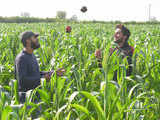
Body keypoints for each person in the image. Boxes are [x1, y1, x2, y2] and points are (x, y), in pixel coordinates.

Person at [15, 31, 65, 103]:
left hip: (35, 96)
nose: (37, 39)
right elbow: (22, 80)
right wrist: (43, 79)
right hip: (26, 99)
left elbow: (35, 73)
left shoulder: (31, 55)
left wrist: (53, 73)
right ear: (28, 40)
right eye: (34, 37)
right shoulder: (22, 58)